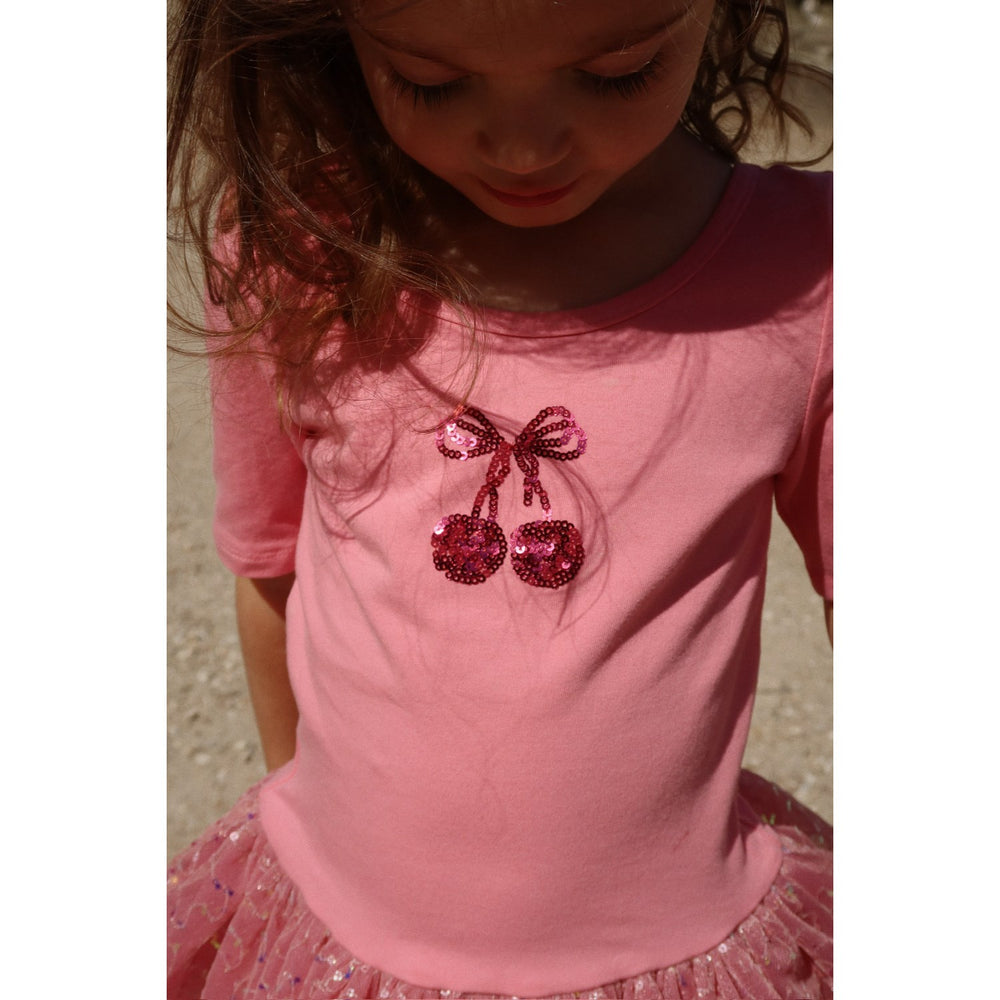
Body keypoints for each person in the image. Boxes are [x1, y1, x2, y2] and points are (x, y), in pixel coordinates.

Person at [167, 0, 832, 996]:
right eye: (430, 82)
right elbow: (270, 570)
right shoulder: (292, 256)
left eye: (615, 72)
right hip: (337, 930)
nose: (525, 149)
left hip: (686, 943)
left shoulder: (811, 275)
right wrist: (310, 841)